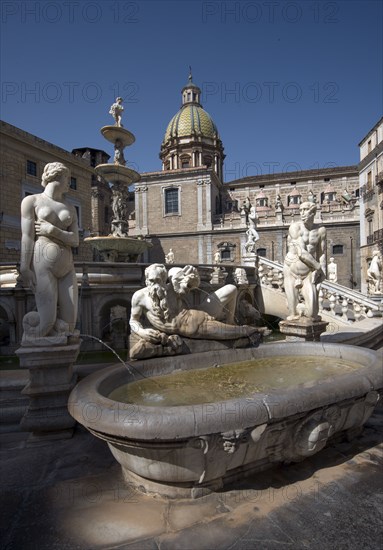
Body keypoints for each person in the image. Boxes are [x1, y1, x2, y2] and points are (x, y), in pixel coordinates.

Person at [129, 264, 264, 359]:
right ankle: (257, 330)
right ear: (146, 280)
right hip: (194, 326)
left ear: (165, 280)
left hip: (196, 320)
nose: (155, 285)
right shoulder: (139, 297)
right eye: (151, 281)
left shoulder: (171, 289)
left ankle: (232, 321)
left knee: (231, 288)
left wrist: (189, 276)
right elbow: (133, 320)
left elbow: (189, 283)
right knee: (238, 333)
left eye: (159, 280)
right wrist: (142, 331)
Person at [20, 162, 79, 345]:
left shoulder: (70, 208)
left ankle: (57, 344)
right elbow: (27, 236)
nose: (69, 183)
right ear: (56, 177)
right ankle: (32, 337)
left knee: (69, 325)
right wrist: (24, 266)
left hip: (67, 267)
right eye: (67, 178)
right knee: (46, 324)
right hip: (43, 264)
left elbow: (75, 240)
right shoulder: (32, 201)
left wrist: (53, 230)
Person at [283, 202, 326, 321]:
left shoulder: (321, 231)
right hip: (291, 270)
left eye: (305, 210)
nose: (301, 213)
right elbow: (301, 253)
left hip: (308, 273)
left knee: (312, 314)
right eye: (300, 210)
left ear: (313, 212)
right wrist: (318, 267)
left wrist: (322, 275)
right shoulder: (295, 227)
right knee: (293, 315)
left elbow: (322, 254)